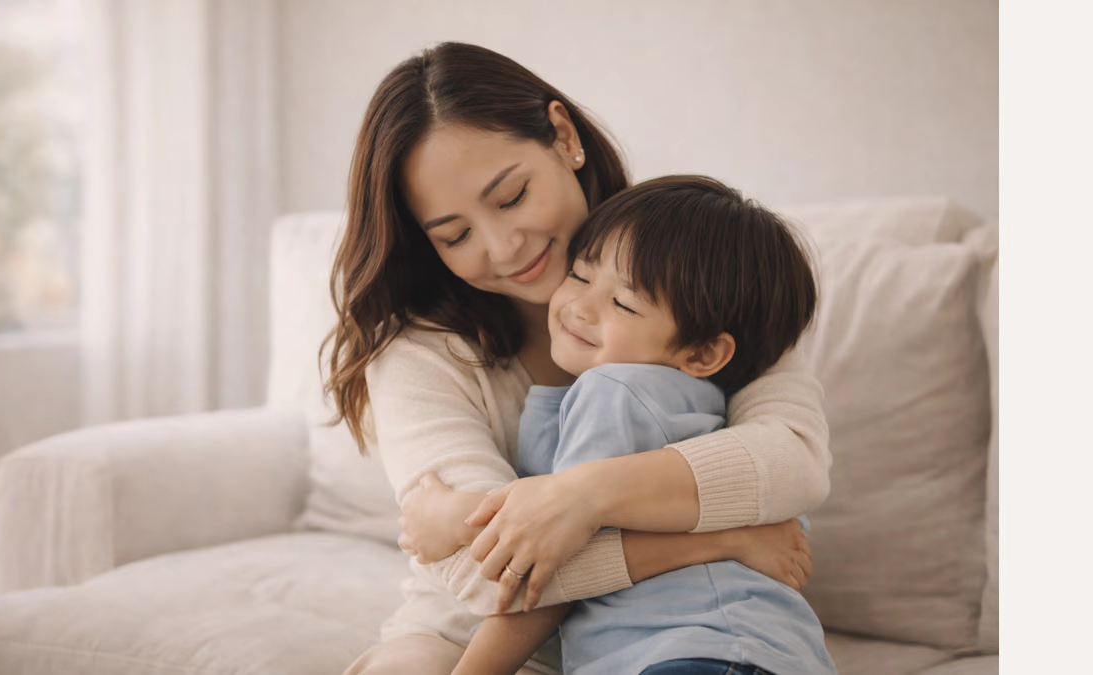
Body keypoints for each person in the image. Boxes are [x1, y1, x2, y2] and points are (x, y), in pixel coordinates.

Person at [324, 42, 831, 675]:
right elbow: (488, 577)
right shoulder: (416, 352)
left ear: (563, 136)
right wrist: (726, 537)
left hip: (670, 630)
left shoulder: (697, 266)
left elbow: (794, 463)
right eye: (455, 235)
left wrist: (580, 497)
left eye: (511, 197)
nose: (505, 247)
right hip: (471, 633)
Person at [444, 175, 835, 675]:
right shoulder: (601, 396)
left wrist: (444, 518)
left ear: (703, 353)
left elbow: (543, 573)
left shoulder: (619, 392)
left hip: (696, 654)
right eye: (581, 276)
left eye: (624, 303)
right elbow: (534, 518)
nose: (580, 306)